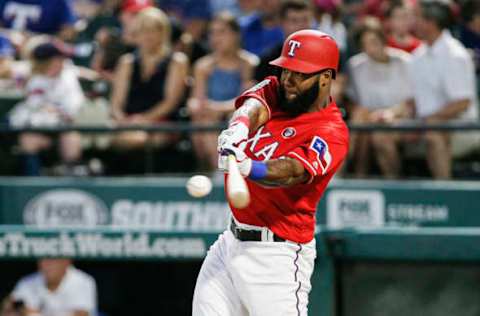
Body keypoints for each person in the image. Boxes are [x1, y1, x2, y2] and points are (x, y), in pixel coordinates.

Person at [192, 29, 349, 315]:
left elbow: (292, 171)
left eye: (300, 74)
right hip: (230, 242)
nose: (288, 80)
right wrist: (238, 128)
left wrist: (247, 165)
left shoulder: (331, 131)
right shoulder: (279, 90)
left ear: (325, 78)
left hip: (276, 256)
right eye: (286, 70)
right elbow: (254, 105)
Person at [374, 0, 479, 179]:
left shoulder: (455, 55)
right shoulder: (418, 55)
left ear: (431, 23)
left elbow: (462, 103)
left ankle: (444, 195)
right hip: (424, 124)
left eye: (418, 18)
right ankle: (395, 192)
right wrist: (391, 114)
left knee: (434, 135)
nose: (413, 23)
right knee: (381, 135)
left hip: (462, 129)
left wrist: (425, 123)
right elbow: (413, 100)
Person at [110, 7, 189, 150]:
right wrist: (123, 120)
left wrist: (144, 119)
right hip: (129, 121)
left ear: (163, 33)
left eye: (154, 30)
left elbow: (171, 102)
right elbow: (116, 103)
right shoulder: (126, 62)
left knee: (137, 138)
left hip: (163, 122)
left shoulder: (177, 62)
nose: (148, 36)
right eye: (144, 30)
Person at [188, 12, 258, 171]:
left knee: (227, 120)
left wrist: (218, 108)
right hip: (209, 116)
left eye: (222, 32)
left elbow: (247, 100)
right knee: (204, 122)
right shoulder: (202, 66)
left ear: (236, 35)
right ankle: (218, 171)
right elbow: (197, 99)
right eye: (212, 33)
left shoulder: (249, 63)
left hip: (236, 115)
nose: (215, 38)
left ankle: (223, 171)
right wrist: (200, 107)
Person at [347, 17, 414, 177]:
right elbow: (351, 101)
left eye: (373, 42)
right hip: (367, 119)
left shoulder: (405, 61)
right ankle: (346, 177)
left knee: (379, 134)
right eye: (365, 44)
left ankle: (392, 183)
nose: (370, 48)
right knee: (361, 121)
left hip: (400, 118)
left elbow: (411, 102)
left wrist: (390, 114)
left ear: (383, 39)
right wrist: (368, 114)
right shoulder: (355, 65)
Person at [9, 39, 86, 176]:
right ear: (45, 62)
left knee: (71, 138)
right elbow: (33, 105)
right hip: (37, 127)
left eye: (61, 59)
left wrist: (57, 112)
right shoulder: (32, 77)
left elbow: (73, 107)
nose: (61, 63)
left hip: (62, 127)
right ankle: (32, 186)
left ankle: (72, 184)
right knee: (28, 140)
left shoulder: (68, 76)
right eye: (57, 59)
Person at [9, 258, 97, 316]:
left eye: (53, 260)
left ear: (66, 262)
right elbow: (8, 307)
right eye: (44, 260)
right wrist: (19, 309)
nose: (47, 265)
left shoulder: (82, 280)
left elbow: (82, 314)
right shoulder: (28, 282)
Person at [254, 0, 314, 81]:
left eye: (305, 20)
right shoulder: (269, 60)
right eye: (294, 21)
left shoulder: (326, 54)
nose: (301, 26)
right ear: (282, 23)